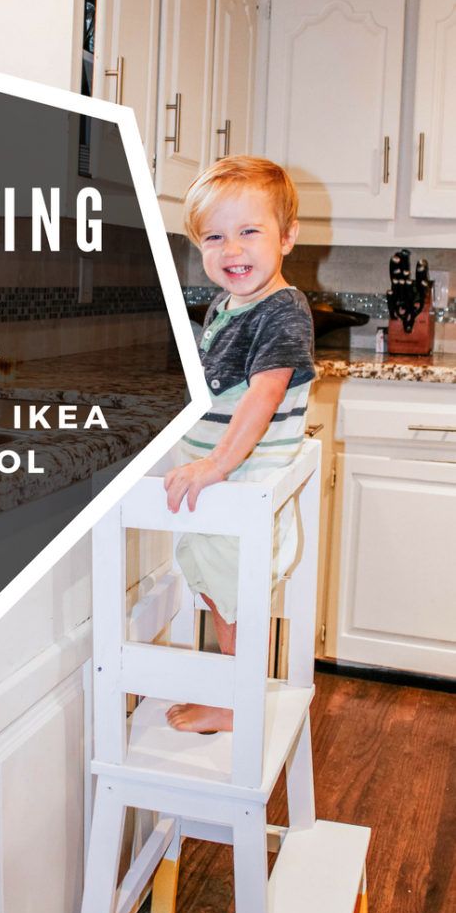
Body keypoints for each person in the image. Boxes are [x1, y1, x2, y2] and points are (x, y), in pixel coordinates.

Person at [164, 155, 315, 734]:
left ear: (288, 236)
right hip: (224, 487)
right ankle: (234, 690)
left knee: (233, 604)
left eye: (249, 231)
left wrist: (216, 464)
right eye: (214, 237)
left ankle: (235, 703)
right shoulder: (227, 305)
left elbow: (263, 394)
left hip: (240, 486)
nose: (232, 250)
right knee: (219, 596)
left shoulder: (282, 308)